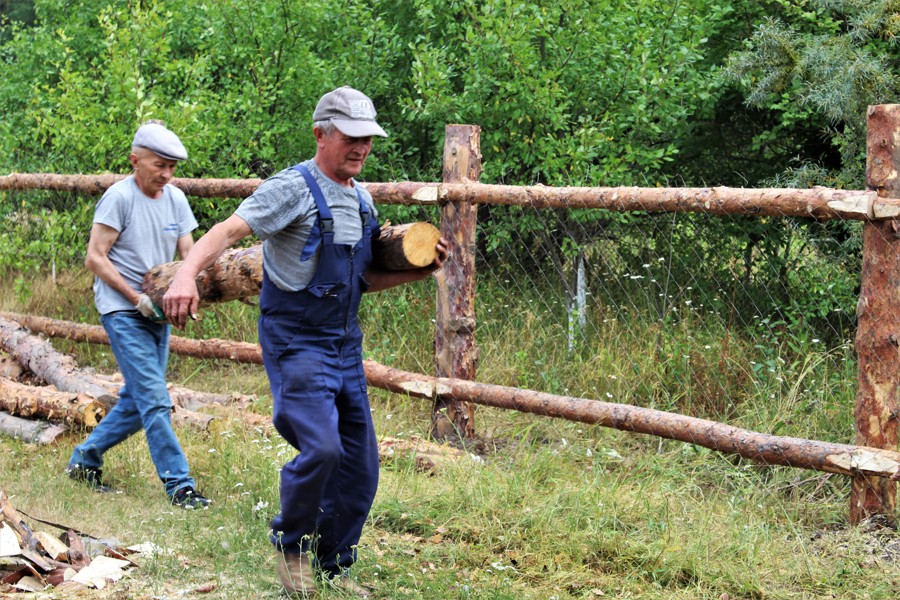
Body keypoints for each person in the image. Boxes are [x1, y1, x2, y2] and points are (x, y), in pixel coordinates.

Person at [162, 86, 448, 596]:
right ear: (321, 134)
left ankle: (333, 568)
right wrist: (186, 276)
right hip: (296, 342)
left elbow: (361, 280)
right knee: (321, 448)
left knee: (360, 471)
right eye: (351, 138)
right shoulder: (291, 188)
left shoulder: (361, 198)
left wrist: (421, 272)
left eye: (368, 139)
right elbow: (225, 233)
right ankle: (291, 544)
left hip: (344, 346)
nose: (361, 148)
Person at [66, 122, 210, 510]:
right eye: (159, 165)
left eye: (172, 168)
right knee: (155, 398)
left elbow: (188, 255)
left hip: (159, 312)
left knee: (137, 401)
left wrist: (188, 289)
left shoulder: (176, 200)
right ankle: (180, 485)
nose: (166, 174)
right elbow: (95, 257)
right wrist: (134, 298)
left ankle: (84, 460)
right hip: (122, 309)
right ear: (135, 160)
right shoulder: (119, 198)